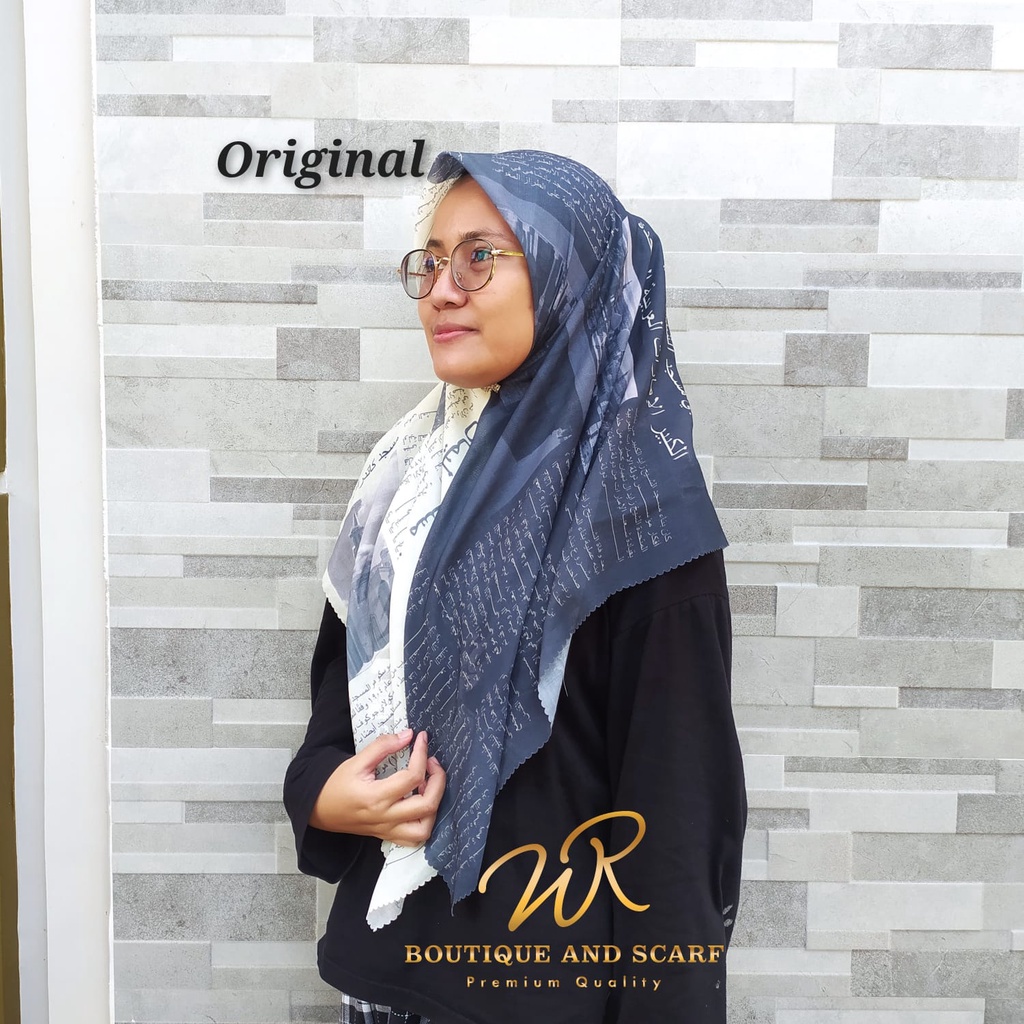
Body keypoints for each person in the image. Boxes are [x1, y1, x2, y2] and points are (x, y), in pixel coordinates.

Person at [283, 149, 747, 1024]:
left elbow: (676, 836)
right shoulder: (401, 495)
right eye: (430, 261)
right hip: (383, 979)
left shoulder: (645, 525)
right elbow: (328, 739)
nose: (441, 290)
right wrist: (326, 800)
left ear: (575, 277)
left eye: (479, 258)